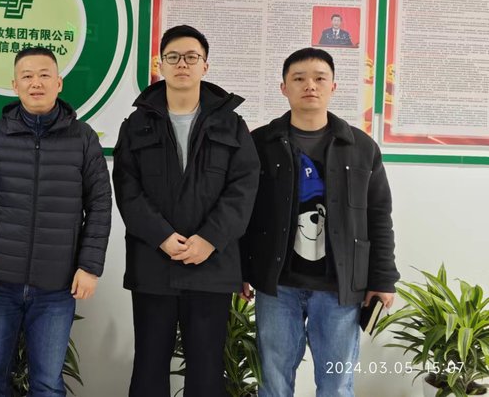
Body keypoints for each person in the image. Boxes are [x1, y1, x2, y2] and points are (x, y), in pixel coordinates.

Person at [241, 48, 398, 397]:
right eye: (299, 78)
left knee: (336, 384)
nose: (309, 85)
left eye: (319, 78)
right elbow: (244, 211)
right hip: (277, 285)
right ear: (284, 88)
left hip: (339, 287)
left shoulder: (361, 147)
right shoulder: (260, 143)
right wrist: (241, 269)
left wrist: (383, 278)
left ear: (333, 86)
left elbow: (378, 216)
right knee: (273, 381)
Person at [113, 24, 260, 397]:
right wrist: (162, 236)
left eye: (192, 57)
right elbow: (127, 189)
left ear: (205, 66)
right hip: (153, 264)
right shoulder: (136, 125)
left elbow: (243, 188)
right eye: (173, 57)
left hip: (211, 266)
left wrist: (209, 239)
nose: (182, 64)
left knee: (207, 370)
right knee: (149, 367)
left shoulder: (232, 124)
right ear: (160, 64)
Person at [0, 46, 112, 397]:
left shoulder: (82, 138)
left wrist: (89, 267)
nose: (36, 83)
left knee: (47, 383)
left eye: (44, 75)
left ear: (59, 83)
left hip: (57, 286)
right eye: (27, 76)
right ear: (14, 85)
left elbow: (100, 205)